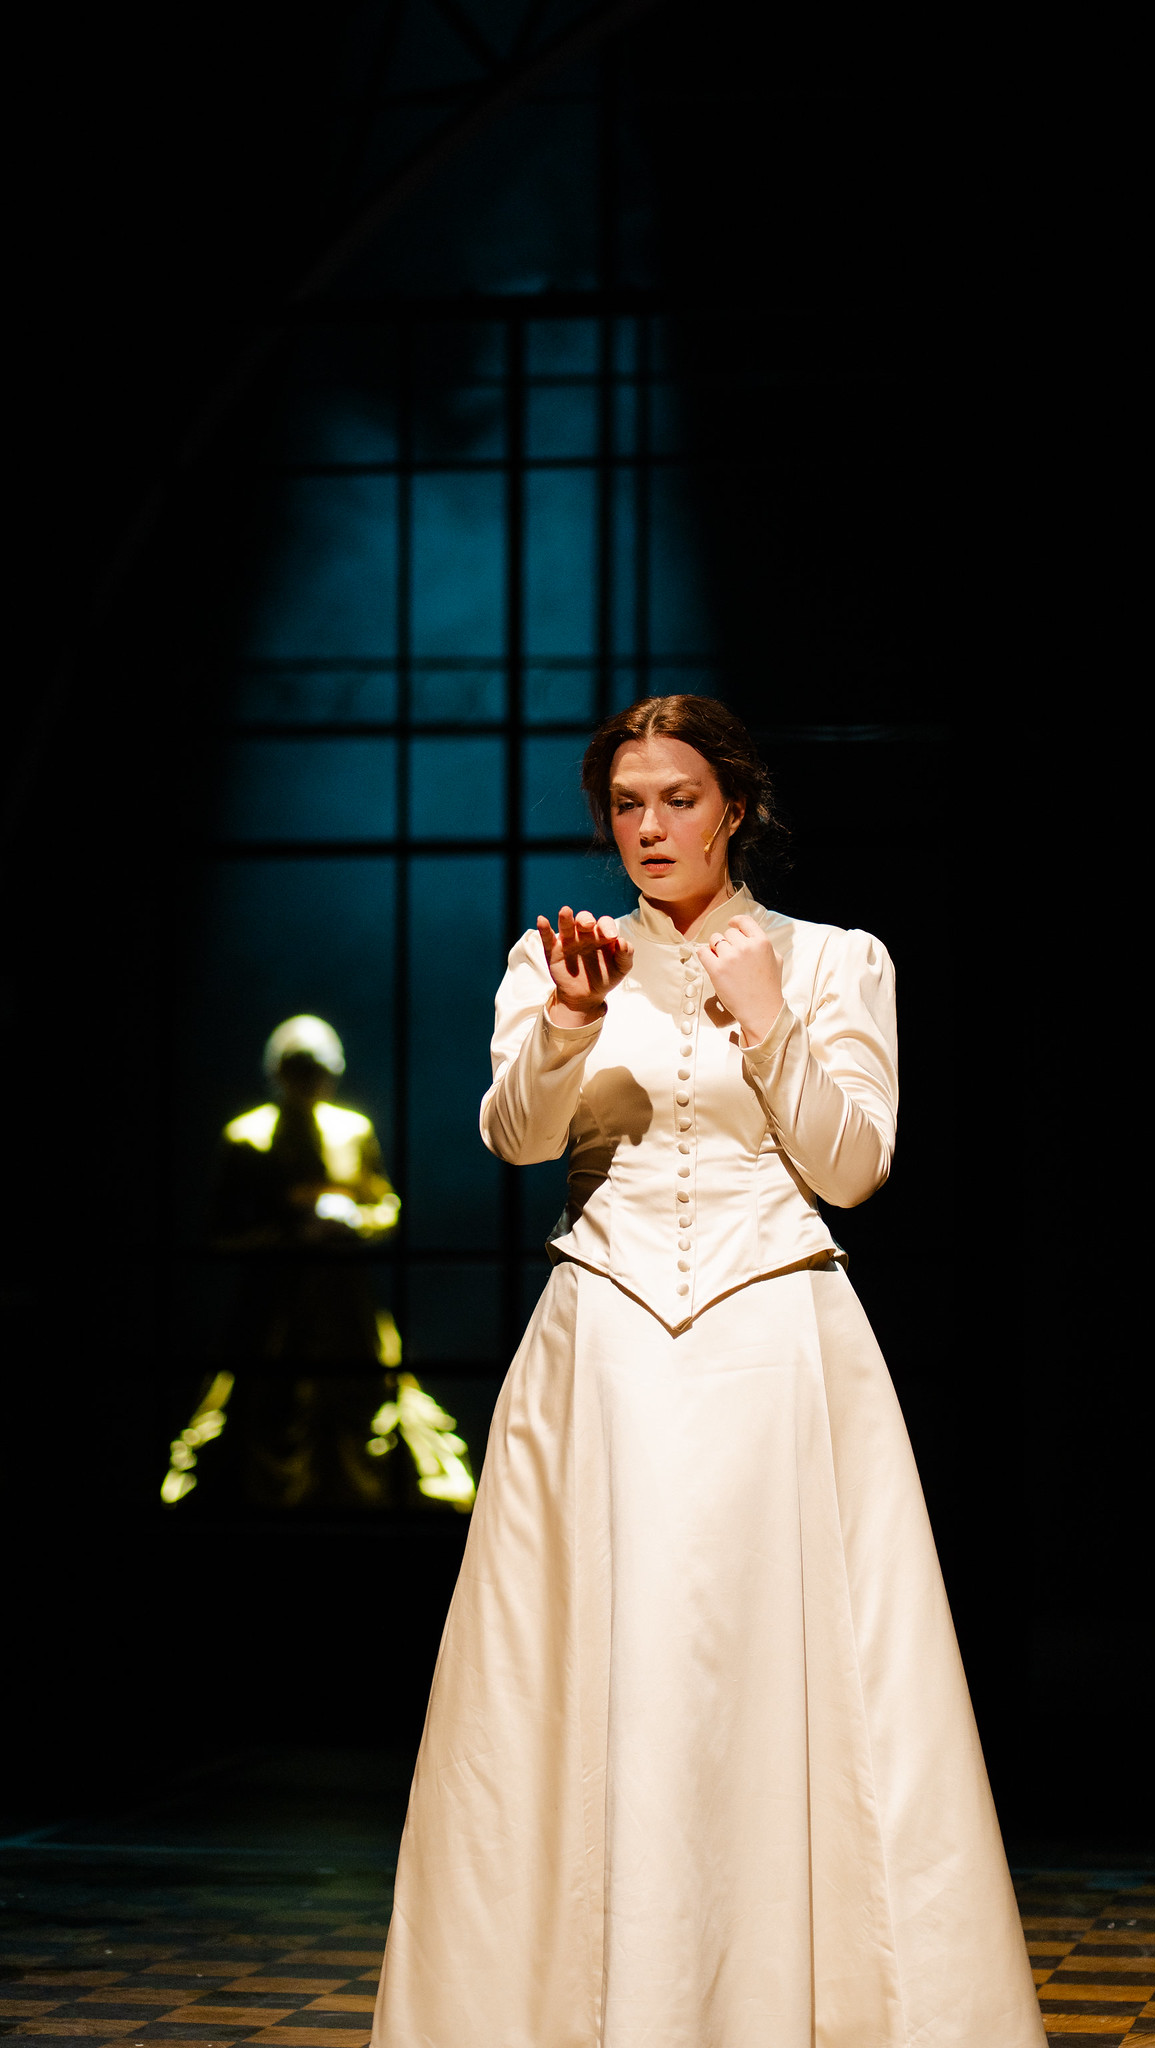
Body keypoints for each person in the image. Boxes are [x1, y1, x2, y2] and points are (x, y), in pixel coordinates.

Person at [372, 697, 1044, 2046]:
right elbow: (514, 1139)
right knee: (589, 1681)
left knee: (768, 1676)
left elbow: (852, 1168)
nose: (649, 827)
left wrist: (769, 1019)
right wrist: (569, 1021)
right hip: (606, 1343)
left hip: (771, 1342)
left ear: (733, 805)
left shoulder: (837, 958)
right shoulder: (558, 956)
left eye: (677, 798)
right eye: (626, 804)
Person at [161, 1014, 475, 1512]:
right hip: (272, 1303)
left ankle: (369, 1506)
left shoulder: (352, 1130)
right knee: (268, 1404)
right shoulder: (246, 1137)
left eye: (318, 1071)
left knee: (363, 1401)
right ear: (278, 1073)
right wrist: (286, 1233)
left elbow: (386, 1208)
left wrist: (352, 1221)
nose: (310, 1082)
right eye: (300, 1070)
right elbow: (220, 1230)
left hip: (344, 1301)